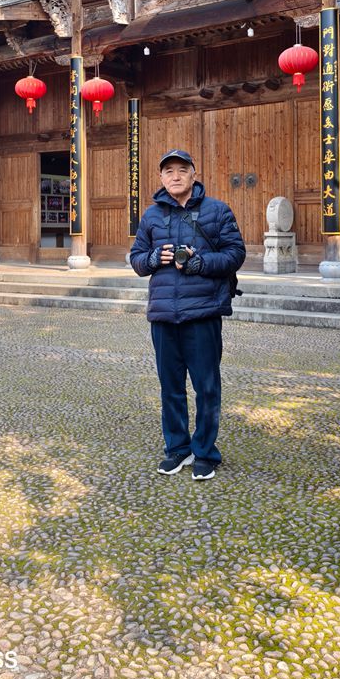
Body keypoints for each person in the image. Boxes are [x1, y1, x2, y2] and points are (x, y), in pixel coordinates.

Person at [130, 149, 246, 481]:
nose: (176, 176)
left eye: (182, 170)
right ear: (161, 179)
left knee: (207, 387)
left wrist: (200, 263)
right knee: (170, 387)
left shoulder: (217, 210)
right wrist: (154, 257)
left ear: (194, 174)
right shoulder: (151, 216)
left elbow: (235, 254)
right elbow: (137, 259)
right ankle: (177, 449)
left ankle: (206, 452)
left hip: (203, 313)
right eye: (169, 171)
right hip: (164, 315)